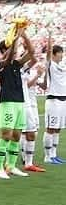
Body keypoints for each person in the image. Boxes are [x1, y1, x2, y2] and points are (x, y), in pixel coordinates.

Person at [0, 27, 35, 179]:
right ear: (5, 50)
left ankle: (11, 166)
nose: (16, 51)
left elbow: (31, 52)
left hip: (19, 102)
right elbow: (10, 54)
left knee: (17, 136)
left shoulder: (17, 64)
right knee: (6, 135)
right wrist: (15, 39)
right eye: (11, 48)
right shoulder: (1, 65)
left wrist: (23, 34)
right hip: (7, 102)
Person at [43, 36, 66, 164]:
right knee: (50, 128)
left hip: (63, 101)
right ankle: (47, 156)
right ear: (54, 54)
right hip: (53, 100)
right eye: (60, 53)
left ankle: (54, 154)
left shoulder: (62, 66)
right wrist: (50, 39)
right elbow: (47, 55)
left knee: (58, 129)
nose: (62, 55)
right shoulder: (51, 65)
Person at [19, 62, 45, 172]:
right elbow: (27, 85)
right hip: (24, 104)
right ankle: (25, 159)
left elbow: (44, 86)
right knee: (25, 132)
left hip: (32, 104)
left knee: (33, 131)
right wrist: (37, 75)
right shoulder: (21, 71)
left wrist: (45, 73)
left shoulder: (32, 71)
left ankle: (28, 159)